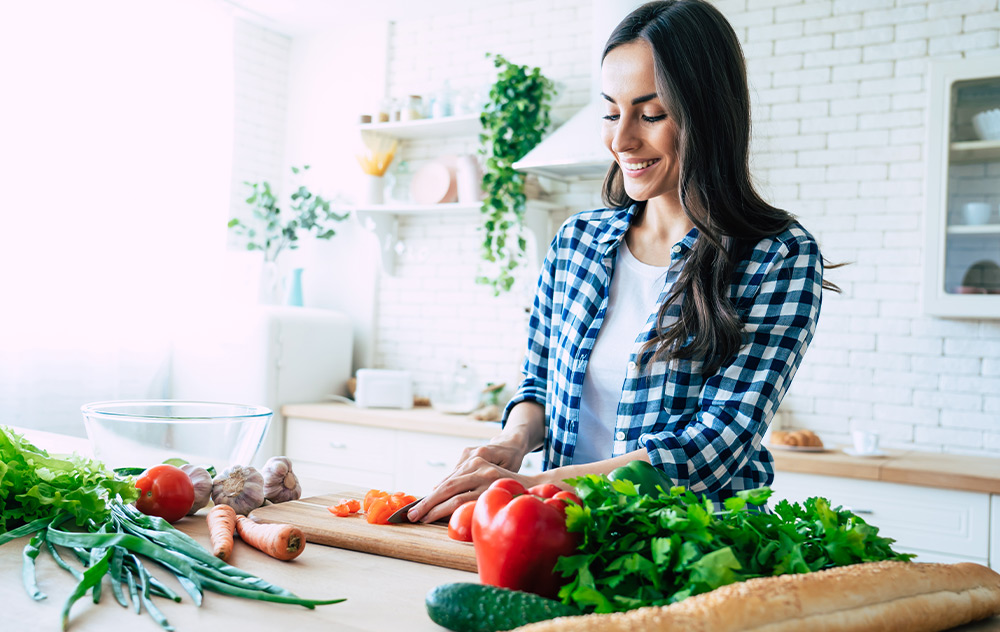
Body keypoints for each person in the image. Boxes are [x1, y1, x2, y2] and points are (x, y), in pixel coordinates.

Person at [407, 0, 836, 524]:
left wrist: (534, 486)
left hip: (689, 548)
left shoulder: (778, 256)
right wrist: (514, 441)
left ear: (709, 115)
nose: (620, 138)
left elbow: (716, 444)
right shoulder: (577, 241)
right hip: (557, 532)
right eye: (611, 112)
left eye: (650, 114)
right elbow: (538, 383)